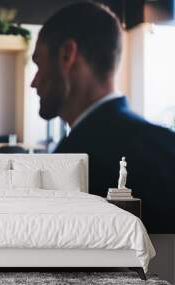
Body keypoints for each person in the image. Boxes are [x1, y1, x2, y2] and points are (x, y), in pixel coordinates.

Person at [31, 2, 175, 233]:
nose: (34, 82)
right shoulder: (167, 145)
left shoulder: (68, 168)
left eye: (39, 64)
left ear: (68, 55)